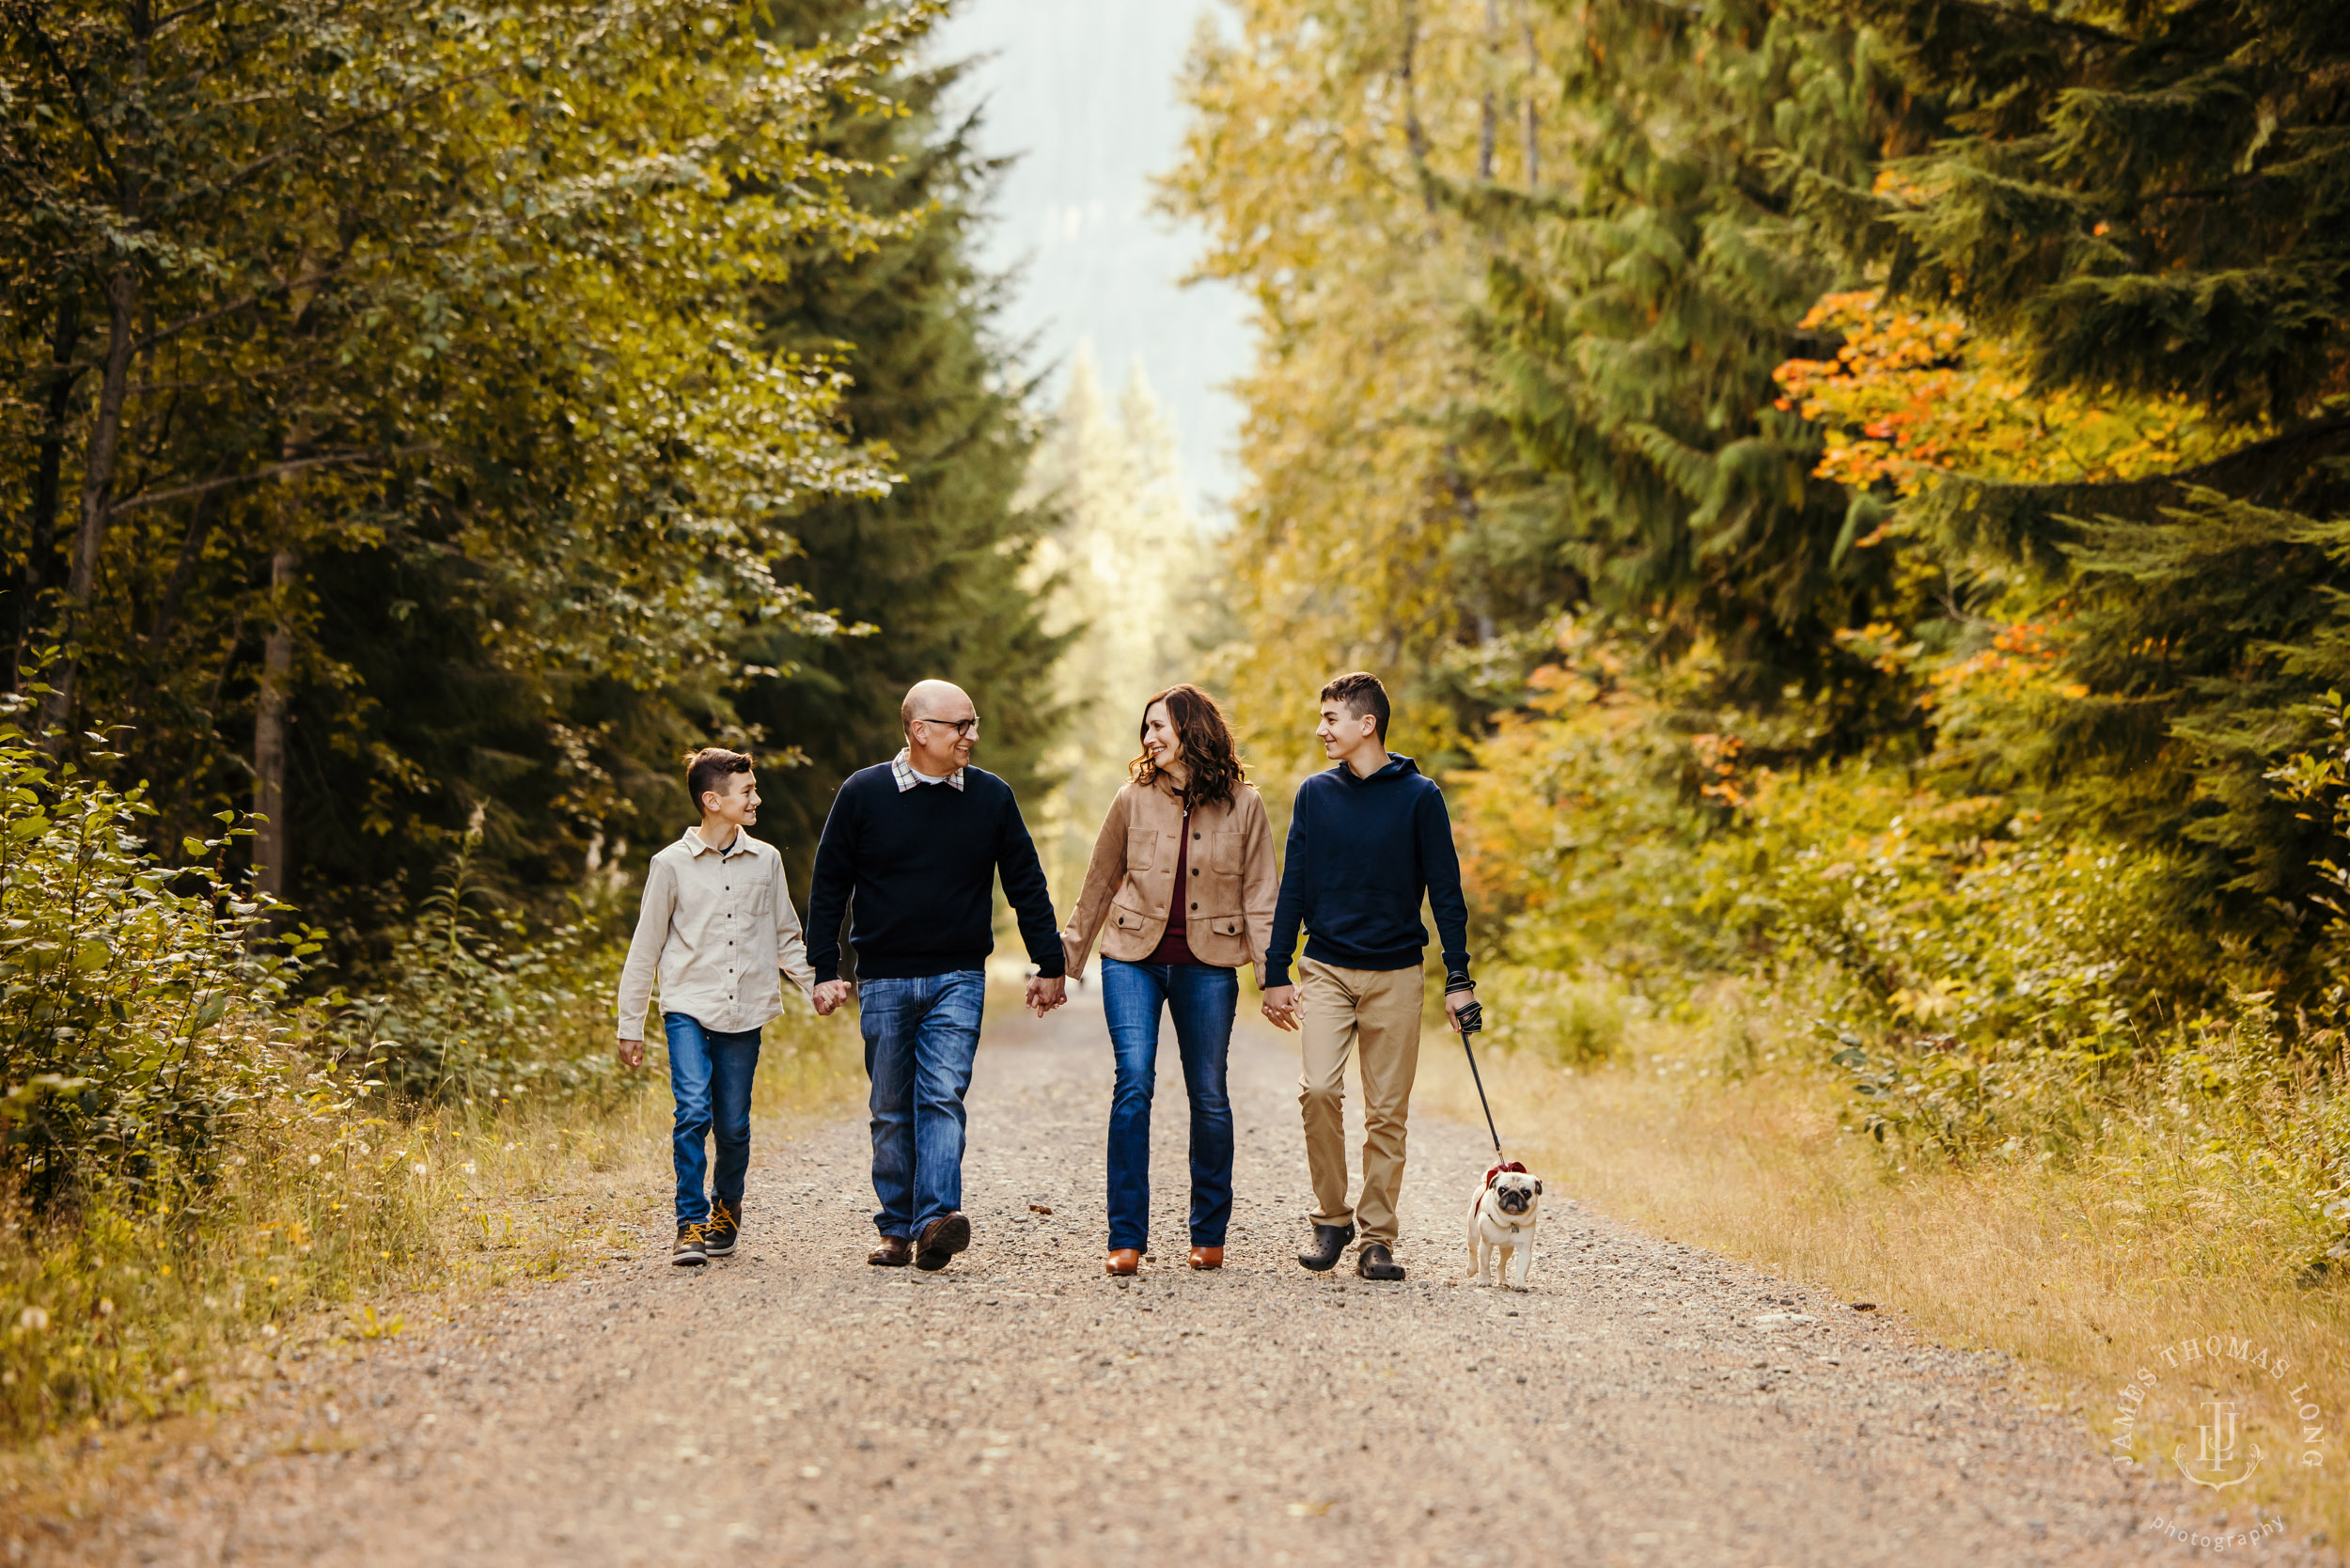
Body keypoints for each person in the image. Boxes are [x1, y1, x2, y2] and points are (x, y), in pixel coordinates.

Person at [806, 679, 1067, 1273]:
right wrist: (826, 969)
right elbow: (829, 887)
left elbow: (1026, 883)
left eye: (973, 724)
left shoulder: (991, 798)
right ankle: (896, 1226)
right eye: (960, 726)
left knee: (942, 1097)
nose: (972, 736)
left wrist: (1050, 963)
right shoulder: (863, 794)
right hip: (884, 979)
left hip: (957, 976)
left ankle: (934, 1221)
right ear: (920, 731)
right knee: (890, 1106)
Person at [1259, 672, 1474, 1282]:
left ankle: (1376, 1239)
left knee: (1387, 1114)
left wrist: (1459, 979)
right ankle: (1331, 1217)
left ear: (1366, 725)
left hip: (1397, 974)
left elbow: (1447, 895)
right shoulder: (1314, 795)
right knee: (1319, 1091)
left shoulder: (1420, 797)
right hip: (1326, 968)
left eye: (1331, 718)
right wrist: (1276, 971)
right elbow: (1293, 884)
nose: (1321, 729)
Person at [1060, 684, 1277, 1276]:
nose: (1150, 738)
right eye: (1146, 729)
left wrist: (1272, 973)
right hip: (1131, 956)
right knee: (1133, 1083)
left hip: (1209, 965)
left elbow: (1261, 894)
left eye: (1160, 727)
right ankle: (1125, 1237)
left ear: (1193, 729)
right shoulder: (1132, 798)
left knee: (1209, 1095)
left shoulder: (1244, 804)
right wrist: (1065, 964)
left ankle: (1209, 1233)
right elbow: (1099, 882)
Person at [617, 748, 817, 1267]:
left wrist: (818, 984)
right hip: (686, 1006)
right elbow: (645, 948)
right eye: (747, 791)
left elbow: (786, 937)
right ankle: (690, 1222)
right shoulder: (670, 865)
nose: (757, 798)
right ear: (713, 801)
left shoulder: (767, 860)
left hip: (743, 1010)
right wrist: (629, 1025)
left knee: (732, 1124)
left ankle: (726, 1209)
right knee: (693, 1113)